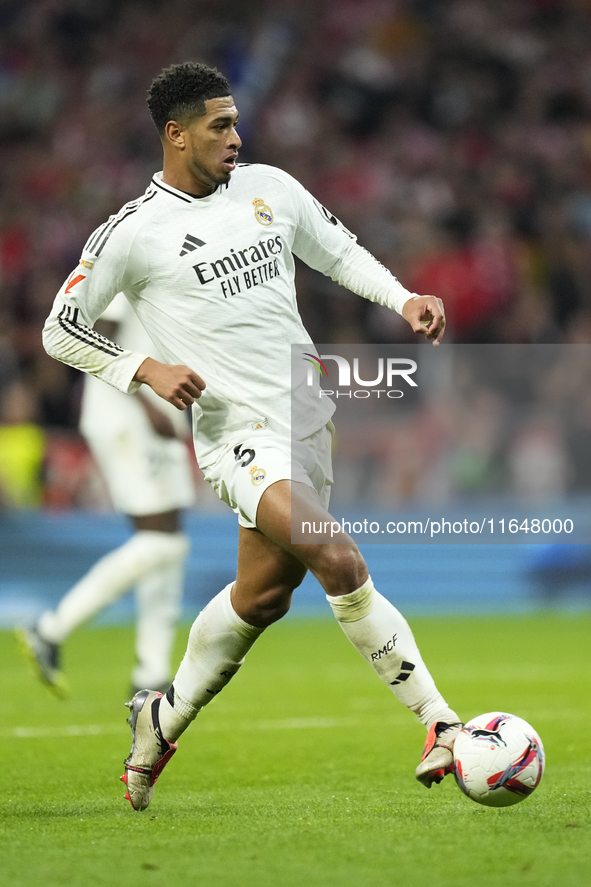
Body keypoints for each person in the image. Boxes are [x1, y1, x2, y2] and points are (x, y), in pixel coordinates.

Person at [43, 62, 462, 811]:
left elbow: (335, 250)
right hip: (236, 432)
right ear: (176, 135)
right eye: (219, 126)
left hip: (305, 417)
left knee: (263, 596)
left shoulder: (271, 188)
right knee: (335, 555)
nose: (236, 137)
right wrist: (144, 367)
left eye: (235, 122)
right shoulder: (133, 233)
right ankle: (441, 724)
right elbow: (59, 329)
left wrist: (404, 299)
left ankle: (159, 717)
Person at [20, 293, 194, 697]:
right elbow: (100, 341)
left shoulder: (172, 265)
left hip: (152, 416)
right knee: (162, 542)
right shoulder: (133, 260)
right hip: (128, 418)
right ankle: (49, 628)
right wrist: (148, 406)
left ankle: (151, 670)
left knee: (169, 539)